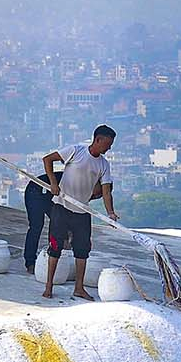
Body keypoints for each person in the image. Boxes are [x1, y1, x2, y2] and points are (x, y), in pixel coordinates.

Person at [41, 124, 119, 300]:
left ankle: (79, 288)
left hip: (83, 210)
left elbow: (106, 191)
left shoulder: (104, 165)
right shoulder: (75, 151)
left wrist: (111, 213)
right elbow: (47, 159)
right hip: (61, 206)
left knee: (82, 250)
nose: (109, 147)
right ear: (98, 140)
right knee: (55, 247)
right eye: (108, 143)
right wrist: (54, 183)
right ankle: (48, 286)